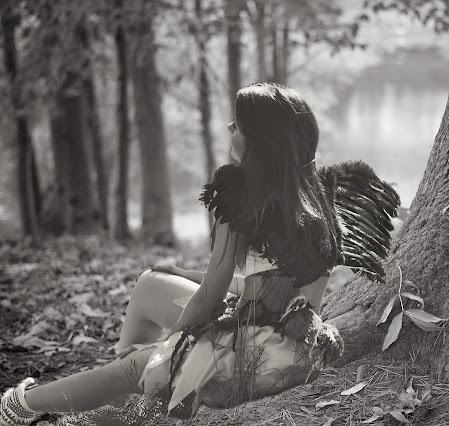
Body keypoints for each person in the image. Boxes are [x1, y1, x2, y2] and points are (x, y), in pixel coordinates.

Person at [0, 82, 400, 425]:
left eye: (237, 125)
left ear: (259, 141)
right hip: (296, 352)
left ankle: (18, 407)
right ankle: (140, 397)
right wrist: (190, 283)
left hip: (252, 360)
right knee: (150, 284)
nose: (230, 128)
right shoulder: (319, 200)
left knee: (135, 366)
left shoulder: (239, 195)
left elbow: (212, 295)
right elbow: (287, 297)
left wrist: (169, 349)